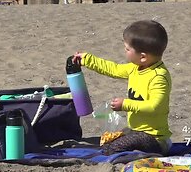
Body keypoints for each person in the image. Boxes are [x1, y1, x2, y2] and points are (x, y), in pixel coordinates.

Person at [73, 20, 172, 155]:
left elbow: (154, 106)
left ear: (143, 57)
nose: (124, 51)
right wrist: (87, 60)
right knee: (107, 143)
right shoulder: (135, 68)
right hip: (136, 131)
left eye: (127, 49)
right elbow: (114, 69)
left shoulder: (158, 77)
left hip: (155, 139)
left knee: (113, 149)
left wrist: (125, 104)